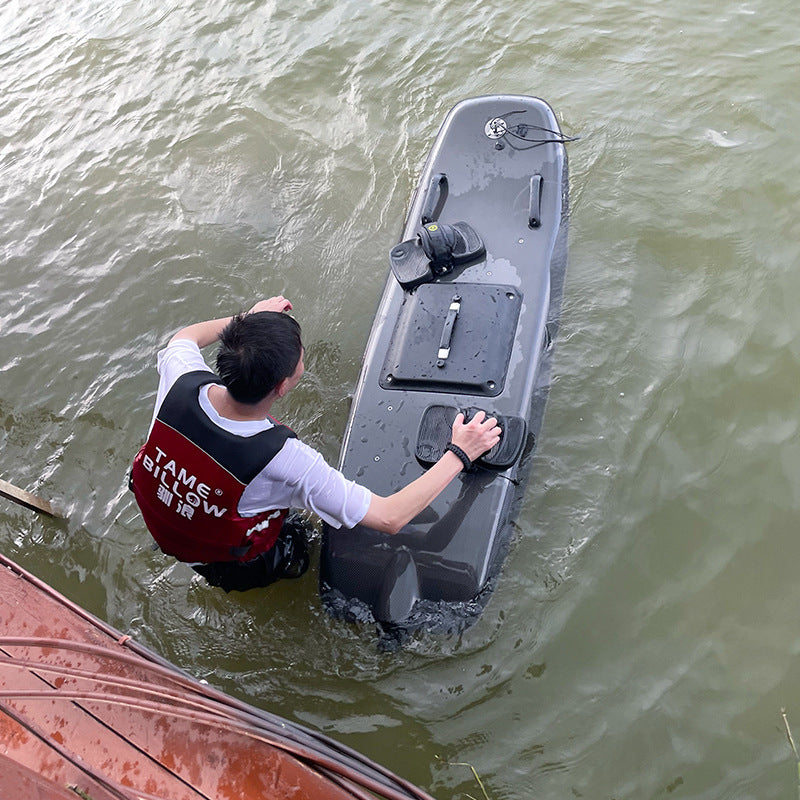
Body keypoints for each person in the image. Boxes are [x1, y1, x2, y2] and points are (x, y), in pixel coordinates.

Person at [130, 296, 501, 592]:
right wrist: (460, 452)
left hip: (168, 523)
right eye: (299, 359)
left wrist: (248, 321)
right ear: (282, 386)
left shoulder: (179, 379)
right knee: (310, 540)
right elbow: (390, 517)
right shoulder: (287, 461)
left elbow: (185, 336)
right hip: (232, 563)